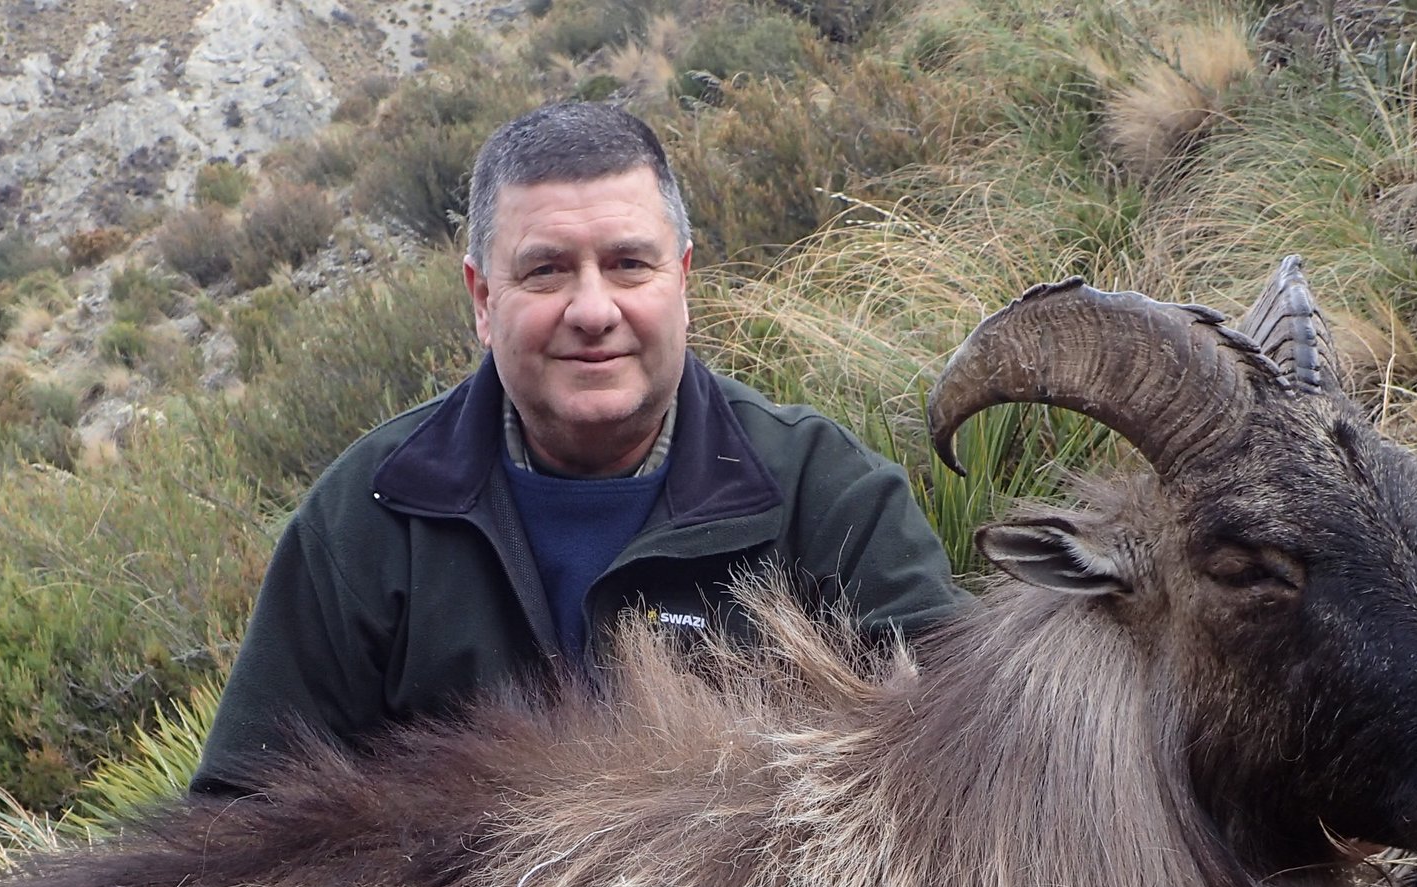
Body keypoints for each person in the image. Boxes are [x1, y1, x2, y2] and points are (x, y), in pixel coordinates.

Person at [189, 101, 963, 797]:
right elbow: (236, 830)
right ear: (483, 300)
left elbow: (968, 751)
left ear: (683, 281)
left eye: (630, 264)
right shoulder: (372, 515)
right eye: (547, 270)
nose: (593, 310)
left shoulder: (826, 494)